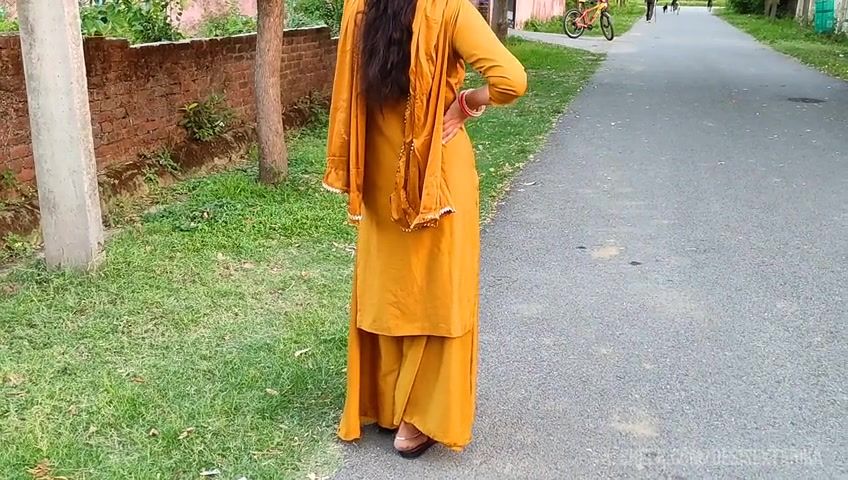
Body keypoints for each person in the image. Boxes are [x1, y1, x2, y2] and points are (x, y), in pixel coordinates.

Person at [323, 0, 527, 459]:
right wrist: (467, 104)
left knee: (391, 290)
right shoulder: (449, 9)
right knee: (437, 292)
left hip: (380, 175)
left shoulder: (359, 8)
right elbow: (511, 81)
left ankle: (387, 406)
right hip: (436, 177)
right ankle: (418, 420)